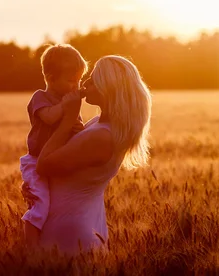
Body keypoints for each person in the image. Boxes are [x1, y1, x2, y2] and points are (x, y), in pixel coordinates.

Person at [22, 55, 152, 254]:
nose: (86, 83)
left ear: (109, 88)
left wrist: (69, 118)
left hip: (71, 232)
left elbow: (44, 165)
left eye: (94, 78)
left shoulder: (102, 137)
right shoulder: (99, 123)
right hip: (73, 223)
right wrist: (35, 186)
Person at [20, 44, 88, 246]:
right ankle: (31, 250)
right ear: (50, 78)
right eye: (71, 81)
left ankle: (52, 245)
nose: (76, 86)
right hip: (36, 163)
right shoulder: (40, 97)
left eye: (79, 81)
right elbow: (49, 118)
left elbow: (77, 130)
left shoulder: (69, 101)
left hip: (56, 162)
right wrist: (68, 106)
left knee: (58, 207)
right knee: (40, 207)